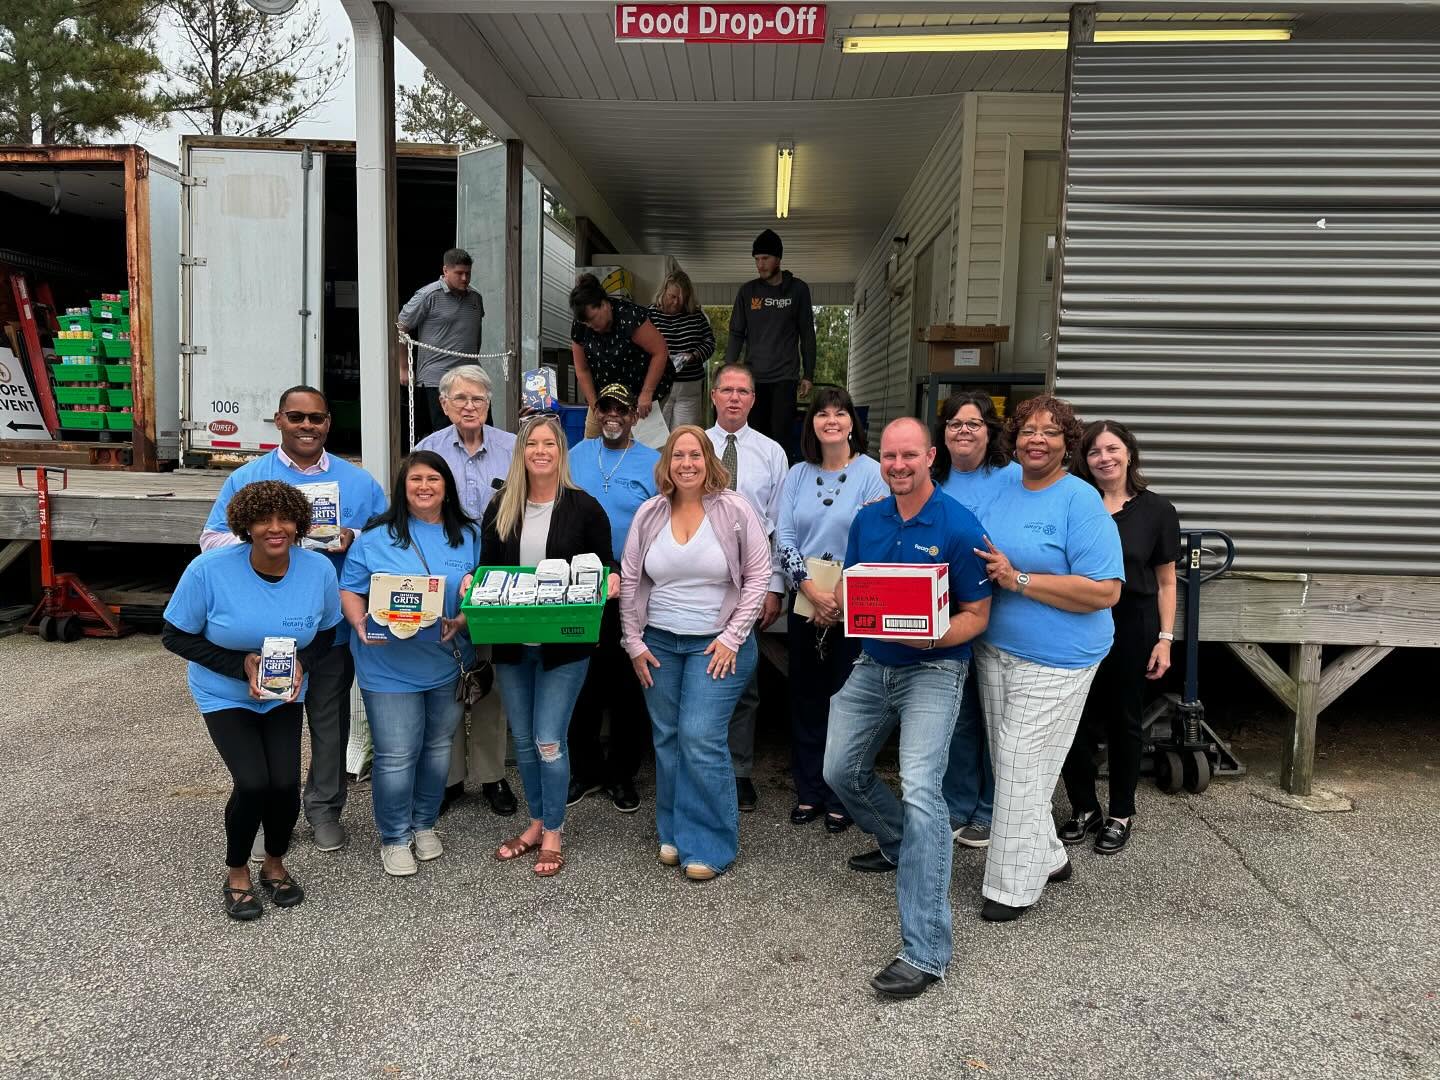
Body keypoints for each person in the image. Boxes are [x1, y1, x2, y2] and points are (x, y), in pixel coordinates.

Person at [823, 418, 992, 1000]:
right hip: (873, 666)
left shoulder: (958, 525)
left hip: (935, 670)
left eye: (909, 456)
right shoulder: (867, 519)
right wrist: (851, 602)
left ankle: (926, 951)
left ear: (930, 457)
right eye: (890, 456)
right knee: (838, 770)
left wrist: (930, 635)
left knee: (923, 790)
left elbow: (977, 617)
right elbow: (852, 586)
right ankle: (899, 843)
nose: (898, 465)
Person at [199, 385, 387, 858]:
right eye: (297, 417)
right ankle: (267, 815)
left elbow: (387, 538)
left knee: (329, 726)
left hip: (326, 630)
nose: (308, 426)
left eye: (317, 418)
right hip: (261, 635)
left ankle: (324, 809)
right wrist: (265, 542)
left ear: (328, 423)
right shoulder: (248, 477)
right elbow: (210, 539)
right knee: (269, 728)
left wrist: (352, 536)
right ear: (279, 419)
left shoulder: (358, 481)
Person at [971, 395, 1124, 923]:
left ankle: (1012, 886)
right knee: (1018, 765)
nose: (1037, 439)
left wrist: (1021, 581)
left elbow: (1105, 591)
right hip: (995, 648)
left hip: (1061, 658)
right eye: (1028, 430)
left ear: (1067, 444)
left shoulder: (1079, 501)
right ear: (1013, 438)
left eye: (1050, 432)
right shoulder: (1002, 489)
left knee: (1016, 764)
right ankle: (1052, 856)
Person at [163, 480, 342, 920]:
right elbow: (175, 636)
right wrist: (239, 665)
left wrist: (304, 663)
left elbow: (327, 632)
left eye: (285, 519)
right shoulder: (209, 570)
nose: (275, 528)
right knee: (253, 783)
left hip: (283, 692)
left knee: (283, 786)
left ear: (301, 524)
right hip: (225, 694)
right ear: (246, 525)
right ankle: (237, 871)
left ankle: (275, 864)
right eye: (263, 519)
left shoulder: (317, 569)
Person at [620, 425, 772, 881]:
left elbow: (759, 575)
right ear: (666, 464)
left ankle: (711, 843)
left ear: (709, 461)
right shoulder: (649, 513)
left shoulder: (734, 510)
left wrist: (732, 637)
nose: (687, 463)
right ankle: (674, 831)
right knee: (667, 737)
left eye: (695, 455)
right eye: (678, 455)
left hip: (717, 643)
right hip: (660, 642)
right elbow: (630, 580)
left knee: (700, 737)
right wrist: (633, 642)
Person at [481, 414, 616, 877]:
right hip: (513, 645)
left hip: (564, 645)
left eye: (550, 444)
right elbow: (486, 572)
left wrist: (612, 579)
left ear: (562, 452)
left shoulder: (585, 508)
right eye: (532, 444)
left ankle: (555, 830)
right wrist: (468, 587)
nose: (541, 451)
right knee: (522, 739)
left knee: (547, 740)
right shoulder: (502, 506)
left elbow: (606, 564)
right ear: (521, 453)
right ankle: (535, 822)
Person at [339, 451, 481, 877]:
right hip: (387, 665)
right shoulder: (375, 536)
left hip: (446, 661)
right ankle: (395, 836)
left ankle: (424, 824)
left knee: (438, 750)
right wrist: (359, 623)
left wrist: (462, 618)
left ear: (446, 486)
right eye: (415, 479)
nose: (424, 486)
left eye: (433, 479)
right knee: (397, 755)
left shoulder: (468, 534)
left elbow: (478, 587)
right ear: (402, 486)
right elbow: (350, 589)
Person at [1061, 420, 1179, 855]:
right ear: (1084, 460)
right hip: (1077, 623)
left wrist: (1165, 638)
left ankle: (1121, 812)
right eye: (1094, 452)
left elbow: (1167, 582)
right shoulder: (1074, 502)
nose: (1104, 458)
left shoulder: (1157, 510)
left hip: (1133, 626)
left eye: (1112, 449)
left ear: (1129, 453)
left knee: (1124, 721)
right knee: (1073, 718)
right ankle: (1083, 807)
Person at [775, 387, 886, 834]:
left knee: (849, 701)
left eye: (840, 413)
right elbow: (783, 538)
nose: (832, 420)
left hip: (855, 605)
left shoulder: (873, 474)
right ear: (812, 424)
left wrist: (841, 595)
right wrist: (810, 590)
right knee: (805, 698)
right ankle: (809, 790)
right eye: (822, 414)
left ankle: (843, 792)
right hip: (806, 603)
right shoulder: (797, 474)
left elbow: (877, 539)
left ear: (852, 423)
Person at [414, 364, 519, 819]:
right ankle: (450, 778)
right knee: (447, 677)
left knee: (490, 680)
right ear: (444, 405)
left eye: (478, 398)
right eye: (461, 399)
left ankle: (493, 776)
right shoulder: (426, 451)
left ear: (489, 402)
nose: (470, 406)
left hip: (497, 576)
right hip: (445, 579)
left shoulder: (513, 448)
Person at [931, 391, 1021, 850]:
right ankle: (957, 803)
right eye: (954, 424)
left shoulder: (1014, 476)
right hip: (949, 614)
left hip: (1004, 615)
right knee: (962, 716)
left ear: (991, 430)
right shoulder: (933, 479)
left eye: (973, 423)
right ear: (942, 433)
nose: (963, 430)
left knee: (997, 719)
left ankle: (990, 810)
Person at [566, 384, 661, 813]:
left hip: (631, 581)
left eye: (621, 408)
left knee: (627, 683)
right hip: (578, 582)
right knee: (580, 680)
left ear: (632, 415)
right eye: (605, 406)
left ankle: (623, 774)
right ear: (596, 410)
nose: (612, 415)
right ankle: (584, 770)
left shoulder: (652, 462)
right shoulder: (576, 454)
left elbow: (661, 522)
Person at [705, 363, 787, 812]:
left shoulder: (773, 453)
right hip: (701, 580)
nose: (735, 398)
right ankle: (702, 766)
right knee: (699, 674)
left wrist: (773, 586)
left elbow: (779, 524)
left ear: (753, 399)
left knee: (743, 681)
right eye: (727, 390)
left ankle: (737, 771)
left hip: (750, 582)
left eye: (743, 391)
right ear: (713, 396)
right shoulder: (693, 446)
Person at [723, 229, 816, 456]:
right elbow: (736, 333)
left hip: (785, 377)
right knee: (753, 438)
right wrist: (728, 369)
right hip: (754, 378)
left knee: (780, 439)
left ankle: (782, 488)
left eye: (765, 258)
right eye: (756, 259)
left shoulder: (798, 289)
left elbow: (807, 333)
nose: (760, 264)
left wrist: (808, 374)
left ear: (778, 259)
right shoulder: (748, 291)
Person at [569, 273, 671, 443]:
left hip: (640, 389)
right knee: (592, 441)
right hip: (603, 392)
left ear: (604, 304)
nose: (591, 326)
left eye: (594, 319)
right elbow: (582, 369)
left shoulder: (629, 316)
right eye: (586, 323)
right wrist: (595, 405)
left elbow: (660, 351)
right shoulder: (581, 325)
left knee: (643, 445)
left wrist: (647, 393)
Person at [397, 248, 485, 442]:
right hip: (437, 379)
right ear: (445, 271)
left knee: (482, 431)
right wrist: (404, 368)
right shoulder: (428, 295)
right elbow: (400, 327)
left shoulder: (476, 298)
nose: (464, 278)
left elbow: (475, 334)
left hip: (471, 377)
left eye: (467, 273)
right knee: (446, 436)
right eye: (459, 273)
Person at [649, 270, 716, 430]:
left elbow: (710, 343)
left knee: (685, 436)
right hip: (658, 386)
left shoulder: (696, 315)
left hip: (689, 387)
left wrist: (694, 356)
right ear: (663, 291)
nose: (677, 302)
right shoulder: (649, 314)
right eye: (673, 296)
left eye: (682, 298)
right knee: (656, 440)